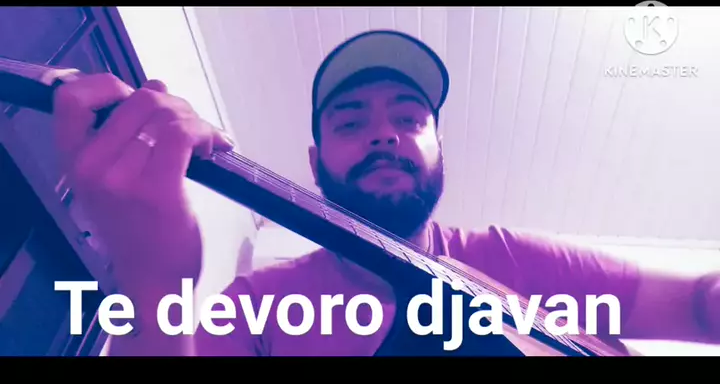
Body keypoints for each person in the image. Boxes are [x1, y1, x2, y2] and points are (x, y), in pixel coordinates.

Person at [52, 29, 719, 356]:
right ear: (314, 161)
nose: (384, 134)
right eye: (350, 122)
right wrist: (152, 282)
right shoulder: (258, 306)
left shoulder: (516, 262)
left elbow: (694, 304)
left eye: (409, 118)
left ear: (439, 150)